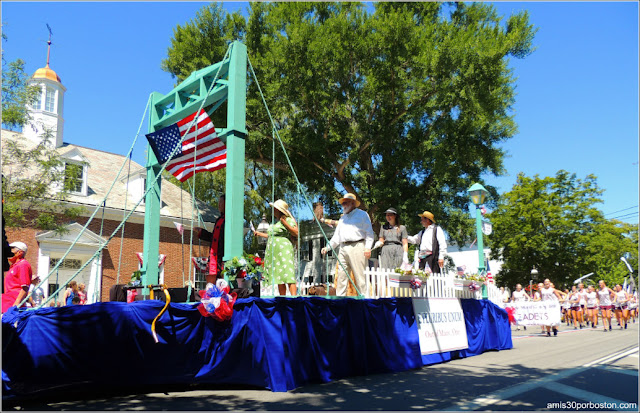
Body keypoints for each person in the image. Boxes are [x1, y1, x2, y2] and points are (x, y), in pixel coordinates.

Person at [321, 193, 374, 297]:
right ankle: (340, 300)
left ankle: (364, 300)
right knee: (341, 276)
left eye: (346, 202)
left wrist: (368, 247)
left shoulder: (362, 214)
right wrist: (327, 247)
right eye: (343, 203)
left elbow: (369, 233)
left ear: (353, 203)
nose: (343, 205)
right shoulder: (342, 219)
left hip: (357, 246)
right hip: (343, 248)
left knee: (360, 276)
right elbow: (336, 237)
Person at [253, 199, 298, 296]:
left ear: (279, 210)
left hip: (284, 249)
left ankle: (294, 298)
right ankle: (282, 298)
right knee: (279, 275)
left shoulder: (288, 220)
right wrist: (259, 234)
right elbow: (271, 236)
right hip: (276, 252)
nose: (273, 210)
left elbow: (296, 232)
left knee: (288, 273)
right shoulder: (275, 223)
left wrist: (285, 223)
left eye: (274, 209)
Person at [195, 195, 225, 284]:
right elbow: (214, 238)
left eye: (221, 202)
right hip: (214, 256)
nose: (219, 205)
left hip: (222, 256)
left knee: (223, 284)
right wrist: (201, 232)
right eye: (218, 202)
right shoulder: (219, 220)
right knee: (211, 283)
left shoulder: (228, 220)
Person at [1, 241, 33, 313]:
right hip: (7, 302)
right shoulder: (14, 266)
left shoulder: (23, 265)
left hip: (14, 305)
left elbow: (25, 287)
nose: (10, 251)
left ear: (20, 252)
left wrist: (16, 304)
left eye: (12, 249)